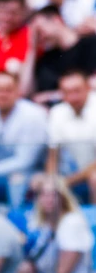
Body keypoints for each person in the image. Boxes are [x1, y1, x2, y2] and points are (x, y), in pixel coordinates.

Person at [0, 176, 95, 273]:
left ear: (63, 197)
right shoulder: (43, 227)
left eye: (53, 194)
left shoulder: (71, 224)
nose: (48, 199)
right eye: (43, 194)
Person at [0, 69, 48, 207]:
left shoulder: (34, 115)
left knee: (17, 178)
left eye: (8, 90)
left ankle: (17, 216)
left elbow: (25, 161)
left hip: (31, 173)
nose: (3, 95)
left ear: (18, 91)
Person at [20, 6, 96, 100]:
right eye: (35, 35)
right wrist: (32, 49)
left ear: (56, 20)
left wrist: (53, 96)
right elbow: (25, 92)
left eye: (40, 31)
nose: (40, 38)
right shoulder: (46, 60)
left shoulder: (91, 43)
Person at [47, 69, 96, 202]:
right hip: (71, 173)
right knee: (41, 182)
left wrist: (69, 181)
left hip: (83, 175)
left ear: (88, 88)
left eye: (77, 91)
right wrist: (51, 180)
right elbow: (53, 154)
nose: (73, 97)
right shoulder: (57, 112)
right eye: (67, 92)